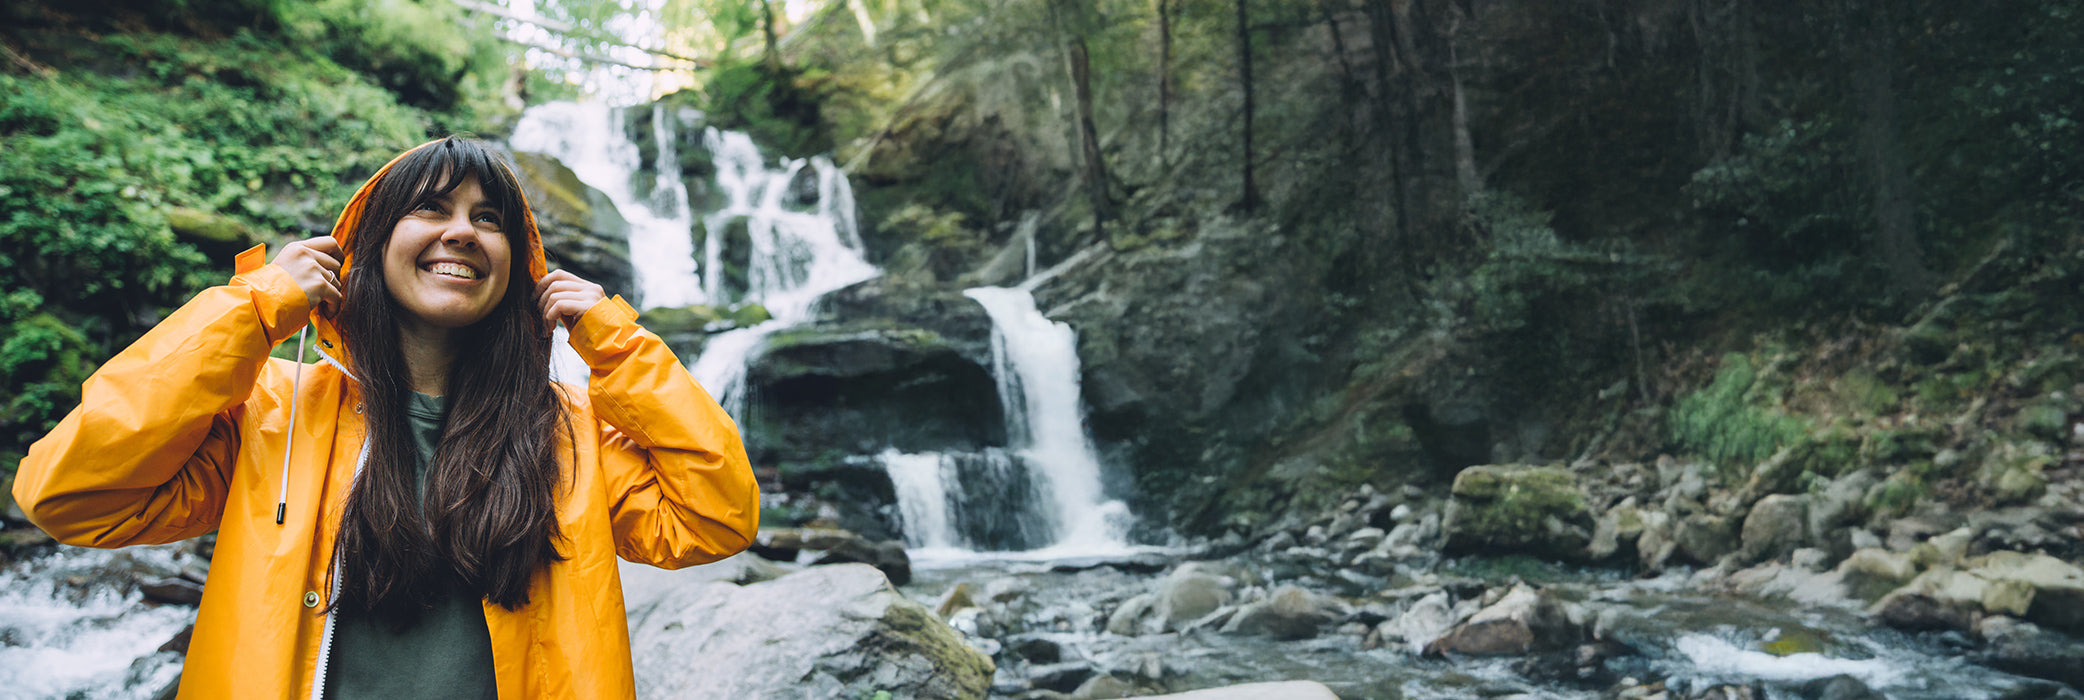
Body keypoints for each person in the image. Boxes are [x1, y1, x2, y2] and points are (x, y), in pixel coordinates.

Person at [12, 136, 758, 698]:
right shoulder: (274, 409)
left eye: (488, 218)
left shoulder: (568, 432)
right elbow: (69, 493)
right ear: (366, 249)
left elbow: (717, 516)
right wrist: (253, 308)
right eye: (431, 208)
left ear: (519, 267)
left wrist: (615, 340)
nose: (462, 231)